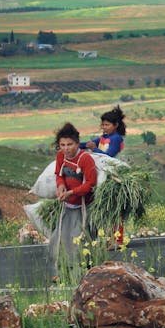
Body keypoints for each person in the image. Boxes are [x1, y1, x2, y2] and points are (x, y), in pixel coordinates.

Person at [50, 122, 98, 276]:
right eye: (62, 145)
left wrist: (72, 192)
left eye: (69, 144)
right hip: (67, 205)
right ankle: (62, 272)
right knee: (58, 239)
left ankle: (85, 273)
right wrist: (61, 187)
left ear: (77, 143)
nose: (66, 148)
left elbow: (91, 184)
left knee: (80, 241)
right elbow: (59, 175)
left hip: (83, 207)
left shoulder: (85, 159)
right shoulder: (60, 156)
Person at [82, 105, 127, 246]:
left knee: (113, 208)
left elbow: (110, 155)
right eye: (103, 124)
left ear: (115, 125)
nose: (104, 127)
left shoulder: (116, 138)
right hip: (101, 171)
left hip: (112, 174)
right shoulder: (103, 138)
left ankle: (117, 239)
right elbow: (88, 144)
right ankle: (108, 239)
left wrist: (94, 149)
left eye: (107, 124)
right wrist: (75, 145)